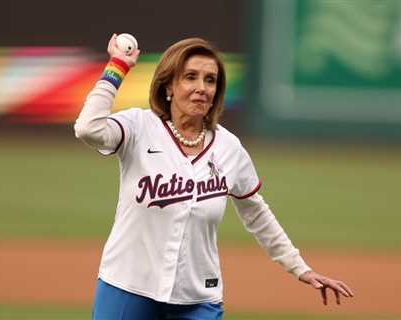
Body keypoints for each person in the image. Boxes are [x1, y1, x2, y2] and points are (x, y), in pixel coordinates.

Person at [74, 33, 354, 320]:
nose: (201, 88)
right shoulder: (138, 127)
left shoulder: (229, 148)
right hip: (127, 285)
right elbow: (87, 128)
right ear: (168, 86)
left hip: (198, 297)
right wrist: (117, 68)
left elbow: (257, 213)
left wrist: (300, 268)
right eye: (190, 77)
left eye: (210, 80)